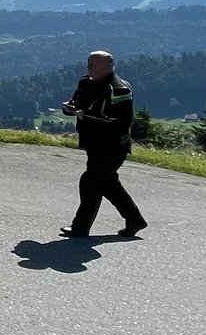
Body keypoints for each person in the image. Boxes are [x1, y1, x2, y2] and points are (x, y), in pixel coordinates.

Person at [61, 50, 149, 239]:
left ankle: (80, 227)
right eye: (88, 63)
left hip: (113, 146)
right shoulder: (85, 82)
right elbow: (76, 104)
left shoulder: (119, 89)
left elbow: (122, 122)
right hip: (94, 144)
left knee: (90, 182)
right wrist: (69, 108)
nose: (89, 66)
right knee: (108, 184)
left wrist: (85, 116)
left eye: (93, 64)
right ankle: (135, 219)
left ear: (107, 67)